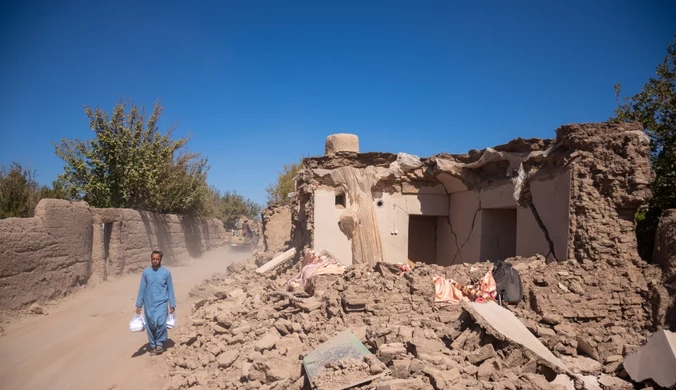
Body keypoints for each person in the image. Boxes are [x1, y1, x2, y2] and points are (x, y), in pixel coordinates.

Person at [135, 250, 176, 355]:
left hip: (162, 303)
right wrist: (139, 305)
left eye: (157, 259)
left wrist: (172, 304)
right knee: (150, 325)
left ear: (160, 260)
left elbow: (170, 289)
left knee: (161, 323)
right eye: (153, 259)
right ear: (151, 259)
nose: (155, 261)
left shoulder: (166, 273)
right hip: (149, 303)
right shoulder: (146, 272)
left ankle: (159, 344)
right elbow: (142, 289)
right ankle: (153, 345)